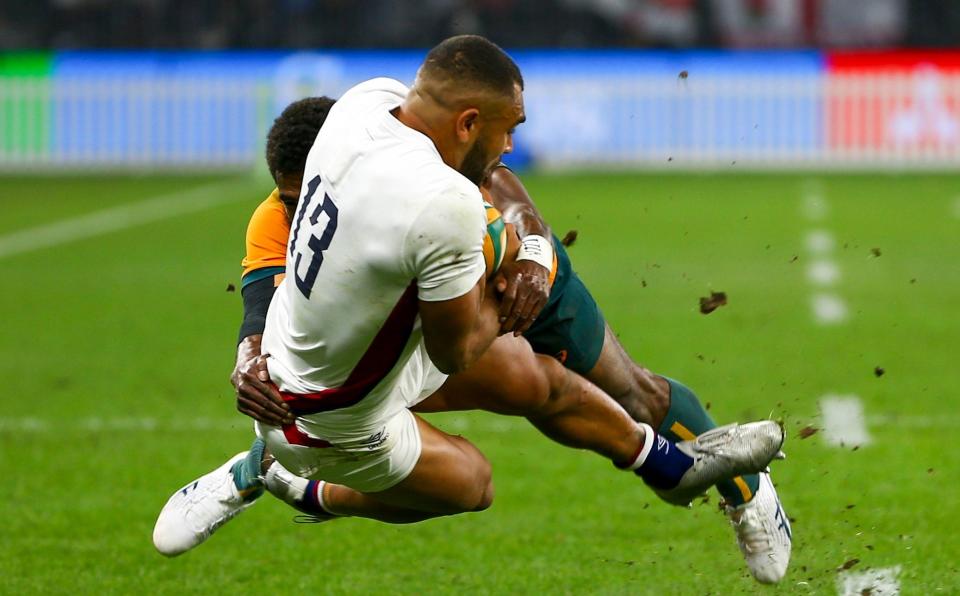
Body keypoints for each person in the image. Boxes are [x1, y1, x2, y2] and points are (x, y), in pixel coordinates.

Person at [153, 35, 786, 581]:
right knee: (513, 408)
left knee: (631, 391)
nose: (510, 144)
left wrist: (535, 253)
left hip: (511, 281)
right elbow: (279, 304)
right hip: (427, 329)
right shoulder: (380, 180)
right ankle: (286, 476)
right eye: (507, 129)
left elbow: (496, 180)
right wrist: (248, 356)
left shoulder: (380, 120)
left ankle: (744, 492)